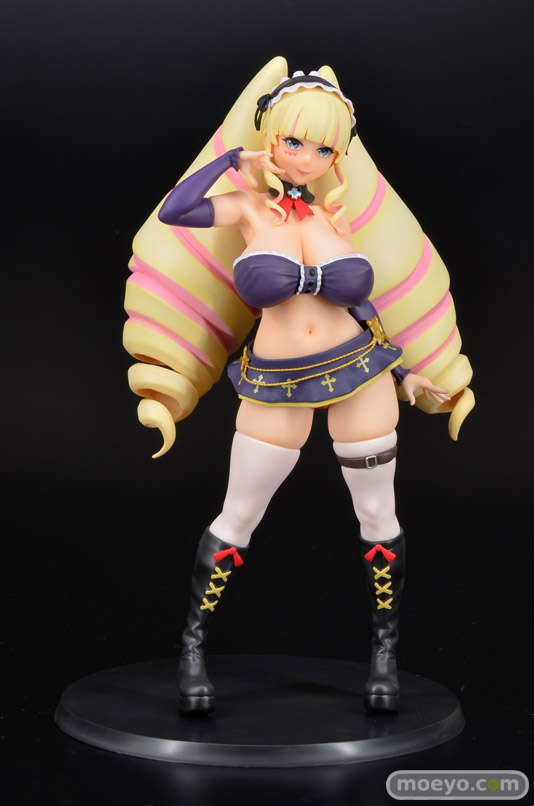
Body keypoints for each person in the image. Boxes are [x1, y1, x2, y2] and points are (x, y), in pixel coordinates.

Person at [124, 59, 473, 716]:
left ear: (337, 155)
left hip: (361, 375)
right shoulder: (249, 209)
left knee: (378, 516)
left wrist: (403, 371)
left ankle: (385, 655)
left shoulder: (337, 218)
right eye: (294, 141)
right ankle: (192, 649)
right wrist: (233, 158)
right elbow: (176, 210)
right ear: (271, 137)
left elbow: (363, 307)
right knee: (238, 517)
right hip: (275, 384)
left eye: (323, 148)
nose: (307, 158)